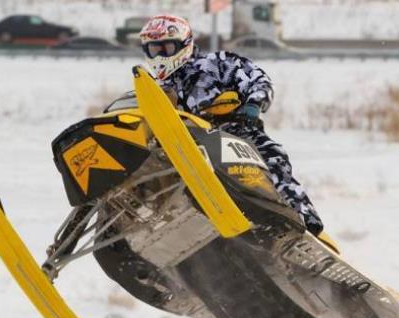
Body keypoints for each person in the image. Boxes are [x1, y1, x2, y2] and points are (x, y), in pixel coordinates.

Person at [139, 14, 324, 235]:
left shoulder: (216, 63)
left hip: (233, 132)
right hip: (185, 146)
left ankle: (301, 214)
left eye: (166, 48)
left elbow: (258, 79)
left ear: (184, 44)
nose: (160, 55)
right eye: (154, 49)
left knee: (273, 154)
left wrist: (252, 106)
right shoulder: (155, 89)